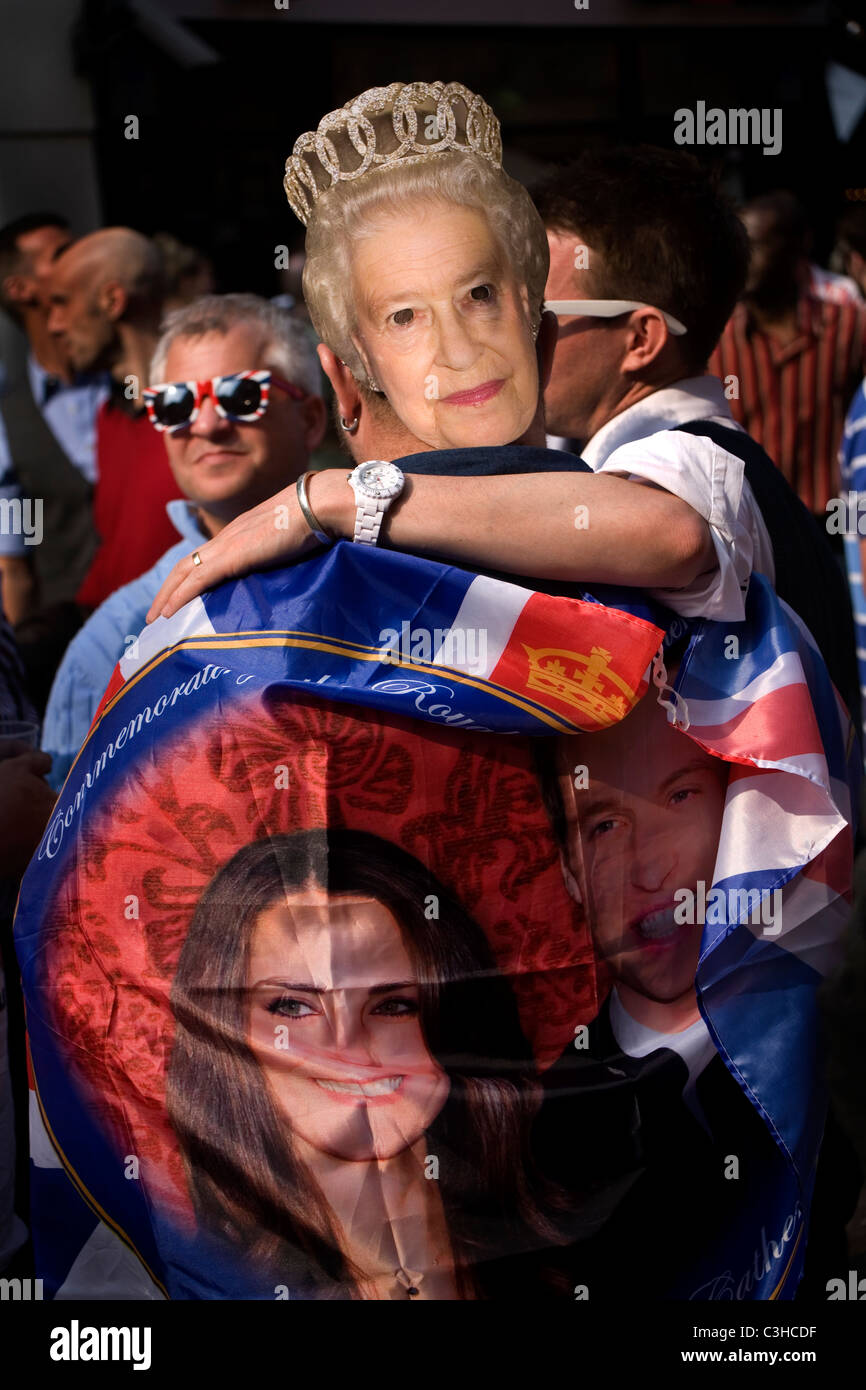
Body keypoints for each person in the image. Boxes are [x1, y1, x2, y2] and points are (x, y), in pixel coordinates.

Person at [145, 128, 851, 714]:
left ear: (640, 339)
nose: (469, 348)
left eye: (498, 304)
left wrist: (337, 497)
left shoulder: (686, 463)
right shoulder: (662, 473)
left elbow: (669, 533)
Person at [166, 827, 569, 1300]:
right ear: (223, 1032)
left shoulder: (569, 1240)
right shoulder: (193, 1280)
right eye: (293, 1006)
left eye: (393, 1005)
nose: (346, 1044)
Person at [41, 294, 327, 790]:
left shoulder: (390, 563)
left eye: (240, 396)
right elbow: (66, 820)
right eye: (175, 404)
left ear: (311, 419)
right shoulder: (114, 636)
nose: (207, 425)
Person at [47, 228, 182, 610]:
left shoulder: (211, 411)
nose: (53, 325)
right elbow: (117, 553)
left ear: (112, 300)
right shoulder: (110, 415)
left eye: (61, 303)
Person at [710, 191, 866, 521]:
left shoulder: (849, 328)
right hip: (752, 525)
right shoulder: (717, 341)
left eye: (757, 245)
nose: (744, 259)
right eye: (739, 246)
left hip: (832, 524)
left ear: (798, 246)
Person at [0, 212, 107, 618]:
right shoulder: (8, 421)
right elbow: (14, 564)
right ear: (21, 289)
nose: (81, 258)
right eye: (61, 254)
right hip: (71, 630)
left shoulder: (129, 380)